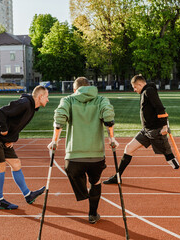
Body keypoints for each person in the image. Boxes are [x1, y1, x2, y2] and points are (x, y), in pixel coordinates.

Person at [48, 77, 118, 224]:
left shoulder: (67, 100)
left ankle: (82, 193)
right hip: (96, 156)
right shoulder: (101, 100)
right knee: (96, 182)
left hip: (74, 157)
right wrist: (111, 138)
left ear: (75, 89)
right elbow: (108, 117)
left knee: (75, 174)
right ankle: (93, 214)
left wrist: (54, 141)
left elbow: (59, 119)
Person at [0, 86, 49, 210]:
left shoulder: (32, 108)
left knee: (16, 164)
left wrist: (11, 138)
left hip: (3, 139)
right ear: (40, 96)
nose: (48, 100)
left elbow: (16, 124)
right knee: (1, 166)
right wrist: (4, 130)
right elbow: (1, 112)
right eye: (47, 97)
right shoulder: (25, 103)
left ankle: (28, 195)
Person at [103, 74, 180, 185]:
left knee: (169, 157)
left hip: (155, 131)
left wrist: (164, 126)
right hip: (146, 130)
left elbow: (160, 108)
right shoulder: (145, 91)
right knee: (129, 148)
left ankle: (178, 166)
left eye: (135, 87)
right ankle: (117, 176)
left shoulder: (149, 91)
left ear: (140, 84)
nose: (134, 90)